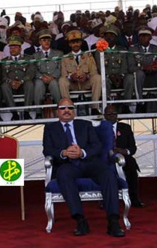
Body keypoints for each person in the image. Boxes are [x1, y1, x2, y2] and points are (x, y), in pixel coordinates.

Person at [42, 98, 125, 237]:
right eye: (63, 108)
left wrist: (82, 152)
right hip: (67, 165)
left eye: (70, 108)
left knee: (108, 173)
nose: (66, 110)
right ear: (57, 111)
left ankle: (113, 221)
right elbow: (48, 150)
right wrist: (63, 153)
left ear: (74, 111)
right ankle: (80, 220)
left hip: (89, 162)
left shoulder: (85, 125)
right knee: (63, 174)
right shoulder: (50, 128)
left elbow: (97, 146)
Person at [103, 105, 145, 208]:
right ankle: (105, 201)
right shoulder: (99, 128)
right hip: (107, 158)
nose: (111, 116)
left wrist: (124, 151)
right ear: (104, 116)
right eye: (109, 114)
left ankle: (134, 199)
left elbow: (133, 148)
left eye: (113, 114)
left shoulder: (126, 128)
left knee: (131, 164)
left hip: (124, 158)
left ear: (117, 115)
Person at [59, 30, 102, 116]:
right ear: (69, 44)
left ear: (81, 43)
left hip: (85, 83)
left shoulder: (88, 55)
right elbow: (64, 74)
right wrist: (71, 77)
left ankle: (95, 108)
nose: (75, 44)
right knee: (62, 80)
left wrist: (87, 76)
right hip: (73, 84)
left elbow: (94, 71)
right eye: (73, 42)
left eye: (77, 42)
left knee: (97, 77)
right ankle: (69, 108)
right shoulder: (65, 57)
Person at [127, 27, 157, 113]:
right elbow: (131, 67)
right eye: (141, 36)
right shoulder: (133, 49)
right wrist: (144, 67)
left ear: (150, 37)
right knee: (138, 73)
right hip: (141, 77)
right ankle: (140, 103)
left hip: (154, 75)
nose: (143, 38)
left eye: (146, 36)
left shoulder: (156, 48)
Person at [1, 36, 35, 120]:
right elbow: (3, 76)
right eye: (11, 47)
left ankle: (27, 112)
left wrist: (21, 81)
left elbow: (31, 73)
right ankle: (14, 113)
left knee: (30, 84)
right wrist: (11, 82)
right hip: (11, 86)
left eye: (15, 47)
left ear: (20, 48)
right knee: (4, 86)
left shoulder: (28, 58)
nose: (12, 49)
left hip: (24, 85)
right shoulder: (4, 61)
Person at [33, 30, 63, 117]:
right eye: (44, 40)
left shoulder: (58, 53)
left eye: (48, 40)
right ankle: (38, 111)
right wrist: (41, 76)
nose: (46, 42)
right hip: (41, 78)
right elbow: (34, 69)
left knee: (54, 84)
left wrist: (52, 77)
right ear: (40, 42)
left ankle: (59, 109)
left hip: (53, 78)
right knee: (38, 84)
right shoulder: (35, 55)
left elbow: (60, 67)